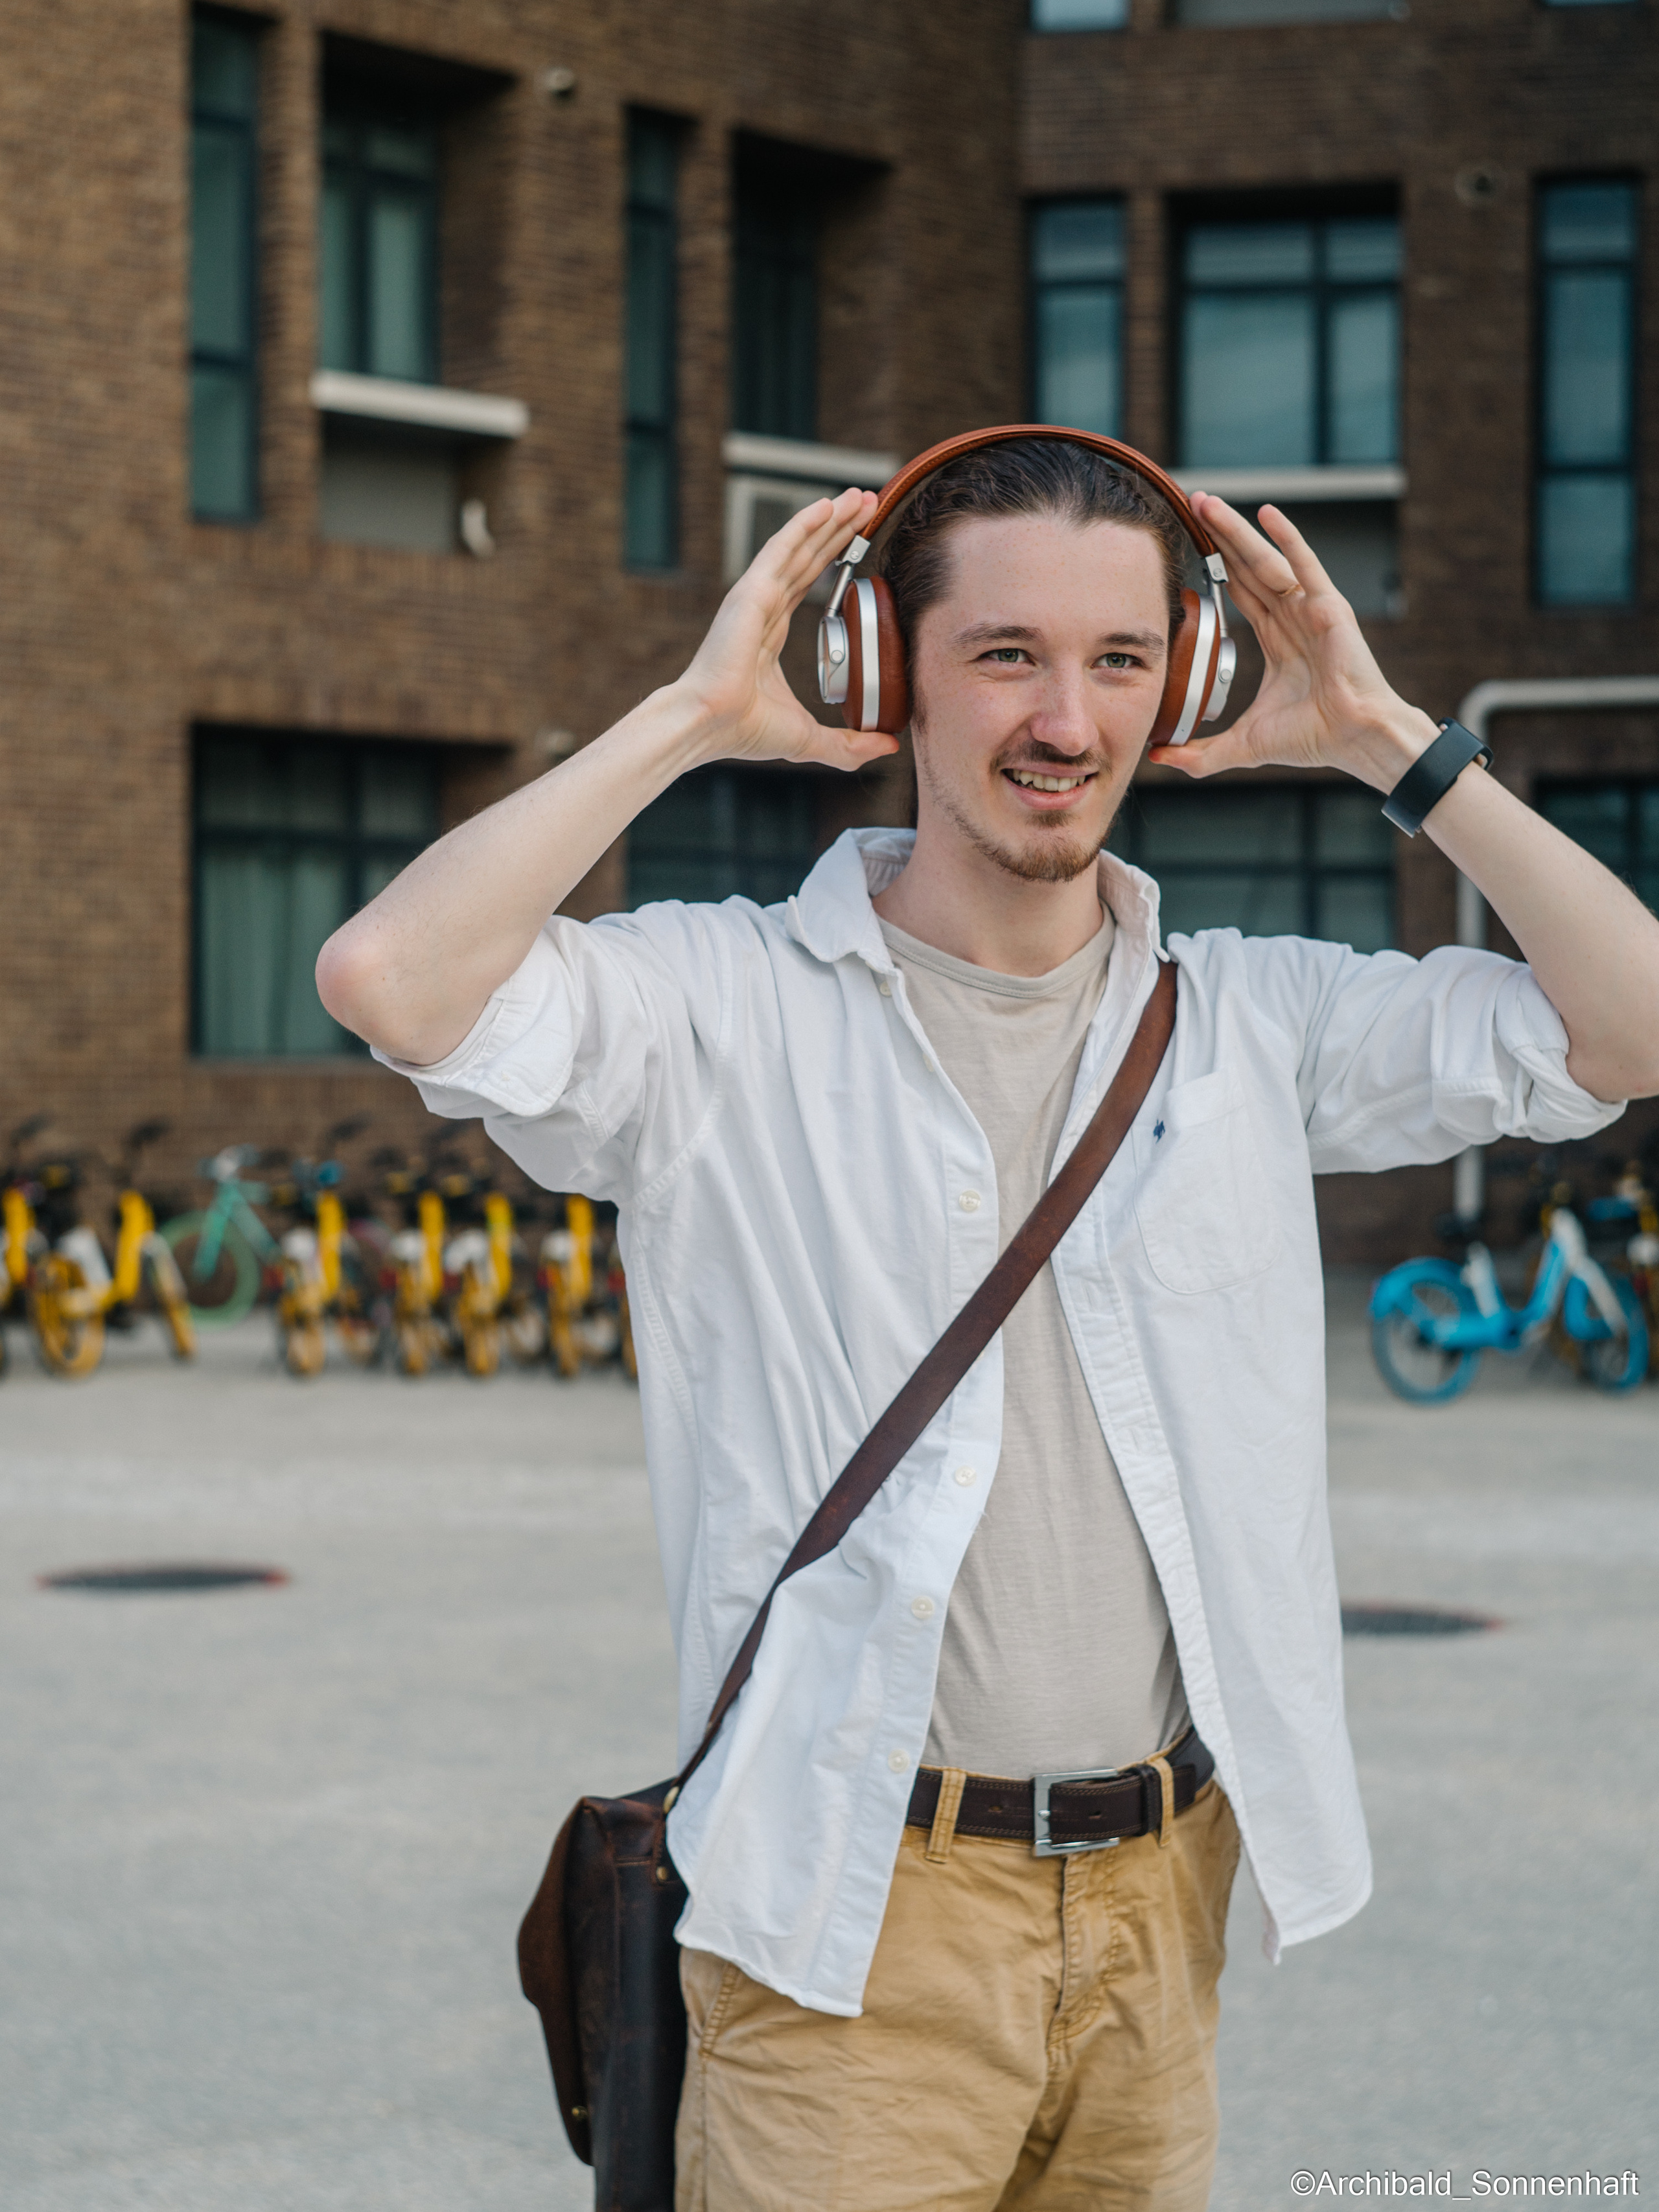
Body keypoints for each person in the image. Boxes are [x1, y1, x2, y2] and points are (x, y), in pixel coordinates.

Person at [316, 434, 1659, 2212]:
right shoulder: (719, 1011)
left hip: (1154, 1904)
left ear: (1175, 684)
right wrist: (694, 715)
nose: (1068, 720)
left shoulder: (1254, 1022)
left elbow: (1630, 1035)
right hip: (845, 1923)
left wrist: (1387, 743)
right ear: (888, 676)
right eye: (1006, 654)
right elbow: (392, 979)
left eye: (1119, 660)